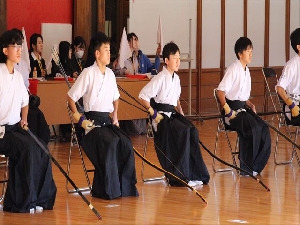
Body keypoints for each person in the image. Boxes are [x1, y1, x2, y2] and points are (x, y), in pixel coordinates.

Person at [67, 31, 139, 200]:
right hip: (90, 124)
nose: (109, 53)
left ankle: (124, 188)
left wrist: (115, 117)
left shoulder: (111, 75)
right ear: (97, 54)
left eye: (109, 49)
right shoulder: (88, 73)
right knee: (111, 142)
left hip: (107, 122)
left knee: (126, 143)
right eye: (105, 50)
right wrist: (81, 119)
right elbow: (70, 98)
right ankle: (108, 190)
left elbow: (116, 99)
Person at [138, 42, 210, 187]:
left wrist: (182, 115)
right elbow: (142, 96)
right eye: (175, 58)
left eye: (179, 58)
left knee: (191, 130)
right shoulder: (159, 77)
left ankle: (195, 174)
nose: (178, 61)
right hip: (161, 118)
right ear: (166, 60)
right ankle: (181, 176)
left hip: (172, 115)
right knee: (182, 132)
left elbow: (176, 100)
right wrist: (153, 114)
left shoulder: (176, 79)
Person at [0, 29, 56, 213]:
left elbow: (25, 102)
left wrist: (24, 120)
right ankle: (21, 201)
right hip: (2, 132)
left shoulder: (17, 76)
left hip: (16, 129)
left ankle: (41, 198)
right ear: (4, 51)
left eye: (19, 46)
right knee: (28, 150)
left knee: (41, 148)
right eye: (14, 46)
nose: (18, 50)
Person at [217, 37, 271, 176]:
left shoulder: (247, 71)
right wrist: (227, 110)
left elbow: (243, 97)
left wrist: (250, 104)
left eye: (251, 51)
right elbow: (220, 91)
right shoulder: (233, 69)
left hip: (243, 109)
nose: (251, 54)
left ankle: (256, 166)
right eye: (248, 51)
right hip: (232, 113)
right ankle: (246, 168)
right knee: (252, 128)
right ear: (240, 54)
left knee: (263, 127)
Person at [276, 28, 300, 125]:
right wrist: (291, 105)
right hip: (294, 107)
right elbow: (280, 88)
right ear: (298, 47)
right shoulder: (291, 65)